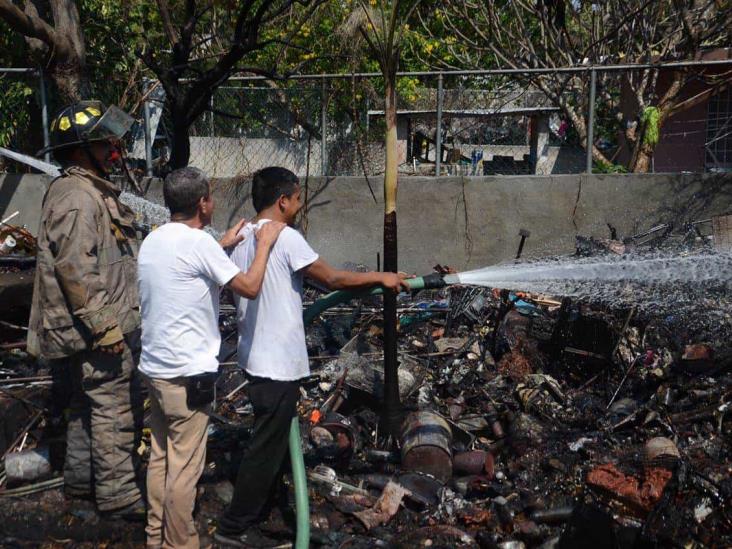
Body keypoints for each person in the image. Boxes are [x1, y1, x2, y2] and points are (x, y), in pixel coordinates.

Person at [215, 167, 409, 546]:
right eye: (298, 198)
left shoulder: (239, 236)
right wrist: (381, 277)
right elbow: (332, 279)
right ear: (283, 200)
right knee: (264, 449)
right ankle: (233, 527)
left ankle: (256, 515)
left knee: (269, 444)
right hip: (277, 365)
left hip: (254, 358)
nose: (300, 205)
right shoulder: (285, 238)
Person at [137, 167, 285, 549]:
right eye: (210, 197)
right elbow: (249, 287)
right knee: (185, 469)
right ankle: (180, 543)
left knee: (160, 456)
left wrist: (221, 244)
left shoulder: (154, 240)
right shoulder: (199, 244)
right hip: (188, 376)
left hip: (155, 370)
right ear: (202, 203)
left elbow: (186, 267)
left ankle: (155, 537)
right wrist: (265, 243)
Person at [27, 101, 145, 519]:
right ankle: (119, 497)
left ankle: (80, 484)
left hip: (85, 327)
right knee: (113, 407)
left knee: (83, 404)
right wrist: (105, 328)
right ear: (80, 149)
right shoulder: (79, 197)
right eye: (103, 141)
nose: (113, 149)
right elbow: (76, 268)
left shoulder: (86, 190)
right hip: (96, 328)